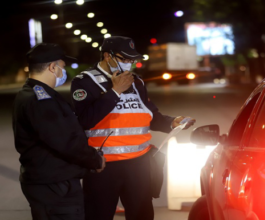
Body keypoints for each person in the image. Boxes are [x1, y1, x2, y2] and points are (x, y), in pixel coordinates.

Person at [70, 36, 196, 220]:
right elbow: (84, 121)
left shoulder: (137, 82)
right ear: (107, 56)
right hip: (102, 166)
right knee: (98, 215)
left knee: (142, 215)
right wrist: (115, 92)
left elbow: (151, 116)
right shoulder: (84, 82)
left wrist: (172, 122)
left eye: (132, 60)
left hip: (139, 164)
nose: (129, 64)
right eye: (124, 59)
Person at [12, 43, 106, 220]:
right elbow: (65, 141)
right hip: (55, 185)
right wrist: (95, 160)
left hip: (47, 181)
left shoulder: (30, 93)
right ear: (52, 67)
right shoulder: (42, 100)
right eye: (62, 67)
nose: (63, 72)